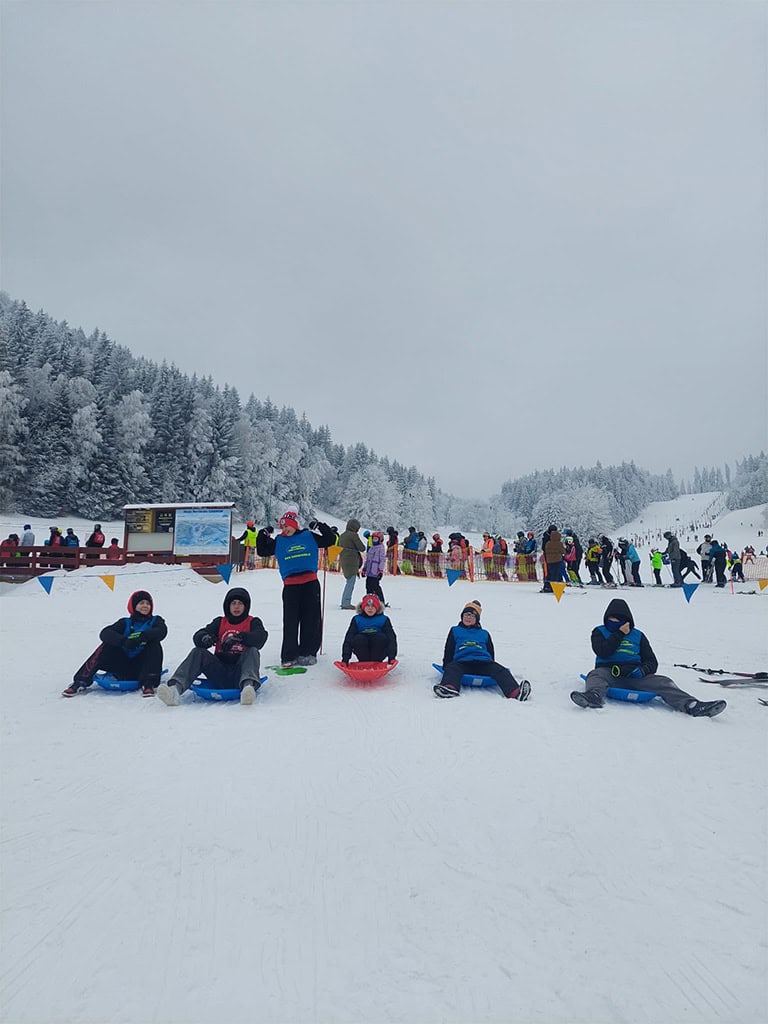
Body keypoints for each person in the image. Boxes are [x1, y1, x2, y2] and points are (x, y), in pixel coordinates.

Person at [570, 598, 726, 717]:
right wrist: (619, 633)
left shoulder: (638, 635)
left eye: (618, 620)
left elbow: (652, 661)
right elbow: (603, 651)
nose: (614, 622)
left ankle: (692, 705)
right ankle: (593, 696)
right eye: (611, 619)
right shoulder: (599, 631)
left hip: (634, 675)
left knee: (663, 681)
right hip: (609, 673)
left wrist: (641, 671)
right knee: (595, 675)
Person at [157, 587, 267, 706]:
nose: (236, 606)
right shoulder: (220, 622)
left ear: (246, 606)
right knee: (198, 652)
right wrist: (205, 638)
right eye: (233, 603)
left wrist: (240, 638)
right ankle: (175, 690)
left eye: (240, 603)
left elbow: (260, 637)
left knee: (252, 651)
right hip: (219, 671)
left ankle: (248, 688)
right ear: (228, 606)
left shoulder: (253, 622)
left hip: (241, 672)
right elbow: (198, 635)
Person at [258, 510, 337, 667]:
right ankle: (289, 655)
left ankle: (307, 653)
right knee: (290, 621)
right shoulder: (279, 540)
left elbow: (330, 539)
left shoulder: (308, 536)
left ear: (294, 525)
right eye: (282, 527)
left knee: (311, 619)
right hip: (291, 586)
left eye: (287, 525)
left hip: (310, 584)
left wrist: (320, 526)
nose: (285, 529)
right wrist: (263, 534)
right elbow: (262, 551)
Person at [62, 590, 167, 697]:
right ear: (133, 606)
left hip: (142, 668)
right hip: (122, 666)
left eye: (148, 603)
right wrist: (123, 641)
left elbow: (161, 631)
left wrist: (143, 636)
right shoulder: (125, 622)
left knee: (154, 644)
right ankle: (81, 681)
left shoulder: (156, 621)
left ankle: (148, 683)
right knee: (106, 645)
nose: (145, 606)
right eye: (141, 603)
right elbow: (105, 633)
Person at [433, 600, 531, 700]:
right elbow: (449, 648)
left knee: (501, 670)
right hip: (462, 662)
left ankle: (515, 693)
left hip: (483, 663)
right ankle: (450, 688)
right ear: (462, 616)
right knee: (452, 668)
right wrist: (446, 666)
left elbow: (490, 651)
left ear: (477, 619)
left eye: (472, 616)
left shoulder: (484, 633)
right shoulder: (455, 630)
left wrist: (492, 664)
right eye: (466, 614)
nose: (468, 617)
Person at [341, 593, 397, 664]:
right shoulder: (357, 619)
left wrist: (391, 657)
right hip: (362, 651)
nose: (370, 608)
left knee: (380, 637)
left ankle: (376, 661)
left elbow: (391, 638)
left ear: (377, 607)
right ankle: (364, 661)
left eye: (373, 606)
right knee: (359, 638)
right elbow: (349, 638)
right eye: (367, 605)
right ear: (363, 607)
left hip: (379, 651)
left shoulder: (384, 619)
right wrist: (345, 658)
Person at [338, 517, 366, 609]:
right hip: (352, 561)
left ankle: (344, 601)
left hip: (344, 560)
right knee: (350, 582)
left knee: (349, 581)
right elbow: (362, 547)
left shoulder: (342, 535)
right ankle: (346, 603)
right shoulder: (353, 535)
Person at [362, 530, 387, 605]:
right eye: (373, 539)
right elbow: (368, 559)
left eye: (376, 539)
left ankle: (381, 601)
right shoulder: (372, 547)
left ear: (380, 540)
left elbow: (382, 560)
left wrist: (380, 570)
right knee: (368, 585)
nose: (374, 541)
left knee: (375, 586)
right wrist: (364, 568)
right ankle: (369, 600)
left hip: (375, 571)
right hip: (369, 570)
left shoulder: (381, 548)